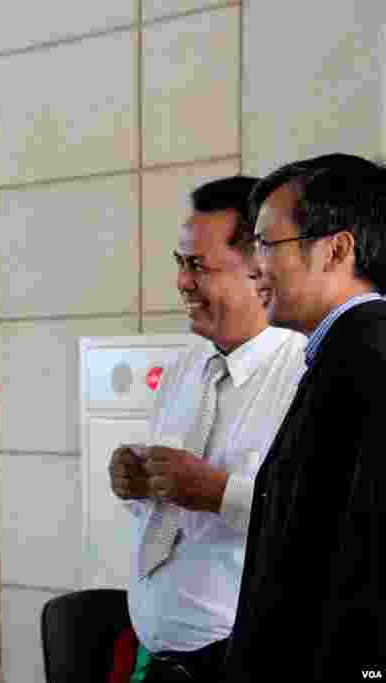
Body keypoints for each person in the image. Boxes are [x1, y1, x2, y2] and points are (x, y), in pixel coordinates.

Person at [108, 176, 306, 682]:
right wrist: (134, 483)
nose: (181, 282)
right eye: (179, 263)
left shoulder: (303, 374)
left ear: (258, 270)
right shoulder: (186, 364)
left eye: (197, 266)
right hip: (156, 656)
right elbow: (167, 511)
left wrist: (219, 494)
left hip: (242, 660)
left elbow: (310, 523)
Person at [224, 154, 386, 681]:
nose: (253, 265)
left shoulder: (368, 362)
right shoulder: (342, 354)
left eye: (267, 244)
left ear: (336, 248)